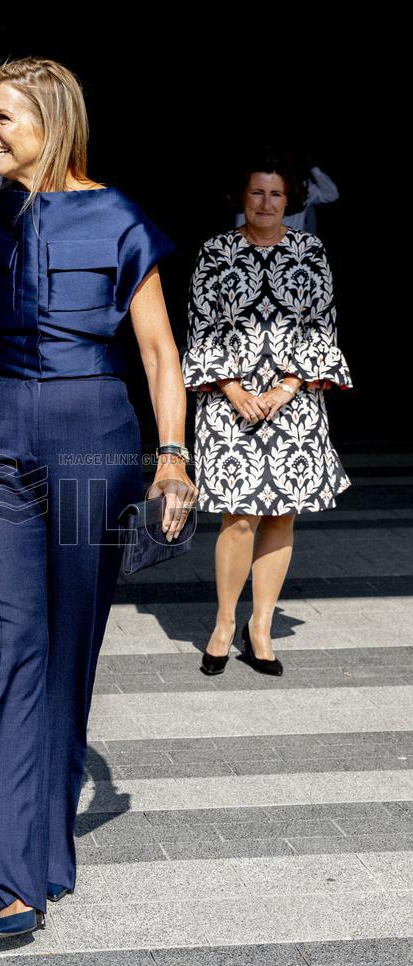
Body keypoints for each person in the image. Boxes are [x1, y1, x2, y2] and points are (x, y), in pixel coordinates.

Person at [0, 56, 196, 938]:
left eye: (2, 118)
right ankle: (7, 876)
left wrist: (171, 457)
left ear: (51, 119)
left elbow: (160, 353)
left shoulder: (117, 217)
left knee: (70, 643)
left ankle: (45, 845)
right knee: (10, 645)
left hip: (94, 446)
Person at [182, 155, 351, 678]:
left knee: (282, 515)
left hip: (293, 403)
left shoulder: (311, 252)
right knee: (238, 518)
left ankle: (261, 627)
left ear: (290, 200)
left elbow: (320, 324)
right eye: (257, 193)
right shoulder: (215, 251)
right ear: (242, 197)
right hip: (228, 403)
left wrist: (287, 387)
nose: (266, 203)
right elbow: (200, 324)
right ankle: (224, 624)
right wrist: (232, 389)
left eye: (275, 195)